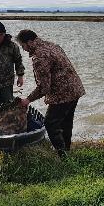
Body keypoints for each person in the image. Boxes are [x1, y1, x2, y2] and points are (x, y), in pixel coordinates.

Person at [16, 29, 85, 158]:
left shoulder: (39, 57)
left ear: (30, 42)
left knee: (50, 123)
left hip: (63, 94)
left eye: (23, 46)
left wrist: (28, 100)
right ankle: (66, 153)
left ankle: (62, 156)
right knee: (66, 122)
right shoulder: (52, 45)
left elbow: (44, 87)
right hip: (75, 88)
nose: (24, 49)